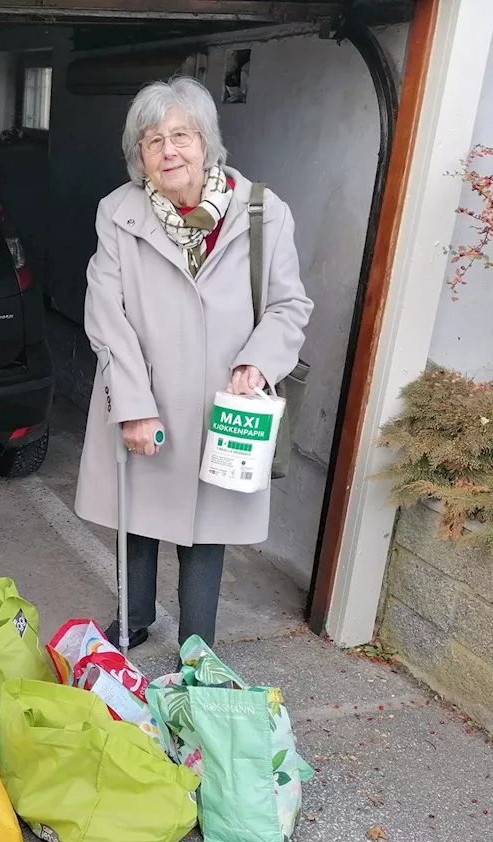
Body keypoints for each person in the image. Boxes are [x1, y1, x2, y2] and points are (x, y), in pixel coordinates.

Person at [74, 76, 312, 651]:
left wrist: (259, 362)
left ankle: (196, 644)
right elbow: (107, 313)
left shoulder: (262, 212)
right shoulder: (119, 212)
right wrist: (132, 406)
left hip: (219, 404)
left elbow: (288, 304)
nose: (169, 151)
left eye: (181, 135)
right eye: (153, 141)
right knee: (138, 517)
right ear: (140, 155)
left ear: (207, 142)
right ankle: (134, 618)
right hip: (146, 392)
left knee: (207, 529)